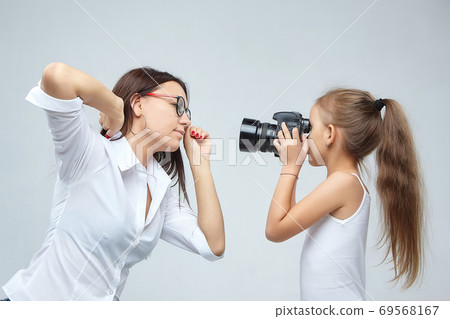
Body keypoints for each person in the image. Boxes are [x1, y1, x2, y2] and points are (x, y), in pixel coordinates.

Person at [2, 63, 225, 300]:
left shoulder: (159, 188)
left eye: (187, 112)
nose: (186, 121)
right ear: (138, 104)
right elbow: (56, 75)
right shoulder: (89, 152)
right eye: (177, 106)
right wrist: (115, 107)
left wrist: (200, 163)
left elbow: (213, 245)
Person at [265, 88, 424, 300]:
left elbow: (275, 230)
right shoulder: (344, 182)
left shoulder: (344, 183)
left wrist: (290, 167)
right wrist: (291, 166)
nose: (305, 135)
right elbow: (287, 217)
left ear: (330, 134)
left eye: (310, 127)